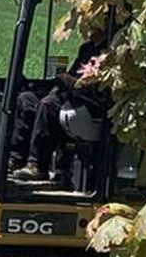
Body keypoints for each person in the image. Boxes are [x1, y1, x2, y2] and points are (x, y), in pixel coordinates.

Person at [10, 35, 106, 184]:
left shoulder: (109, 52)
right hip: (68, 97)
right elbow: (75, 75)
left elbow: (93, 88)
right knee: (26, 98)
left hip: (88, 106)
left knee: (48, 105)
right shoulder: (86, 49)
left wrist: (67, 80)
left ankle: (37, 166)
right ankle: (16, 159)